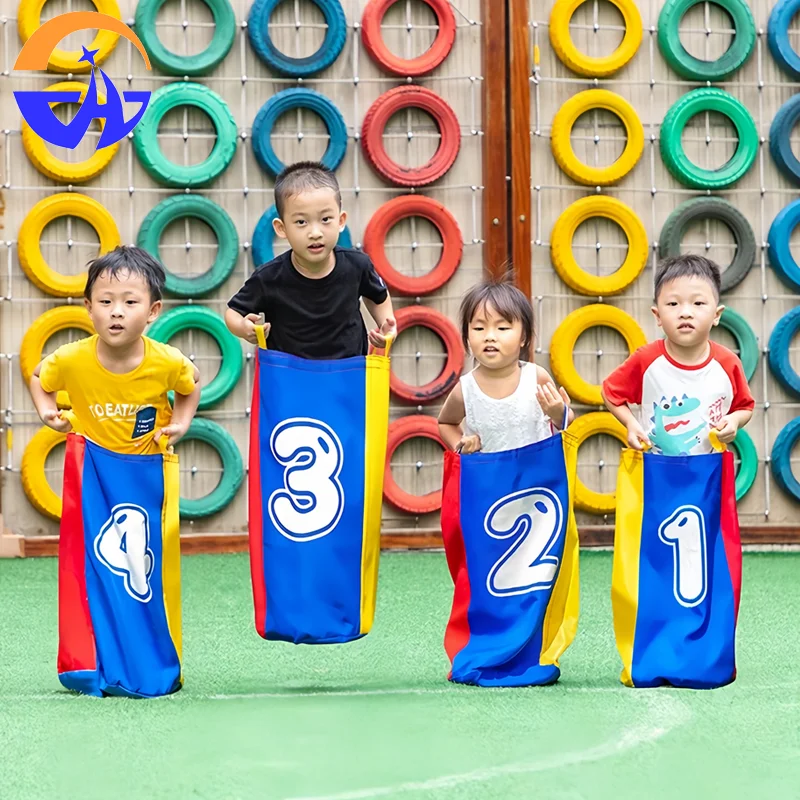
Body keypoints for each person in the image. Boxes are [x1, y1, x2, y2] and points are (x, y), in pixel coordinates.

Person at [29, 246, 200, 453]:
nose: (116, 312)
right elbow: (39, 378)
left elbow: (193, 382)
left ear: (153, 311)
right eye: (105, 302)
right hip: (90, 467)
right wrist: (47, 411)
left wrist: (180, 424)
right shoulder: (72, 359)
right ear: (90, 307)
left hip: (148, 468)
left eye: (130, 302)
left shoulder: (167, 361)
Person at [225, 161, 396, 357]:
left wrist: (387, 324)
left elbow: (378, 295)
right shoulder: (269, 277)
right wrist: (242, 327)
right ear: (281, 228)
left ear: (340, 221)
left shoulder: (357, 265)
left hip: (347, 375)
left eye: (325, 219)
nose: (315, 233)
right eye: (301, 222)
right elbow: (233, 312)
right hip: (290, 378)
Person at [602, 254, 754, 455]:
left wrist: (734, 421)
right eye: (673, 304)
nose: (685, 312)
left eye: (698, 303)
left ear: (716, 315)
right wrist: (630, 423)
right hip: (656, 471)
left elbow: (745, 407)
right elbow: (610, 393)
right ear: (657, 316)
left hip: (708, 473)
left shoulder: (728, 363)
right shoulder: (646, 359)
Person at [438, 279, 575, 453]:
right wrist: (462, 444)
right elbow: (445, 423)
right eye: (479, 328)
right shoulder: (466, 389)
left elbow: (566, 420)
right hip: (487, 477)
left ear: (523, 337)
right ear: (467, 337)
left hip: (535, 477)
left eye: (502, 328)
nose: (490, 336)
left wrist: (559, 413)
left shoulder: (536, 377)